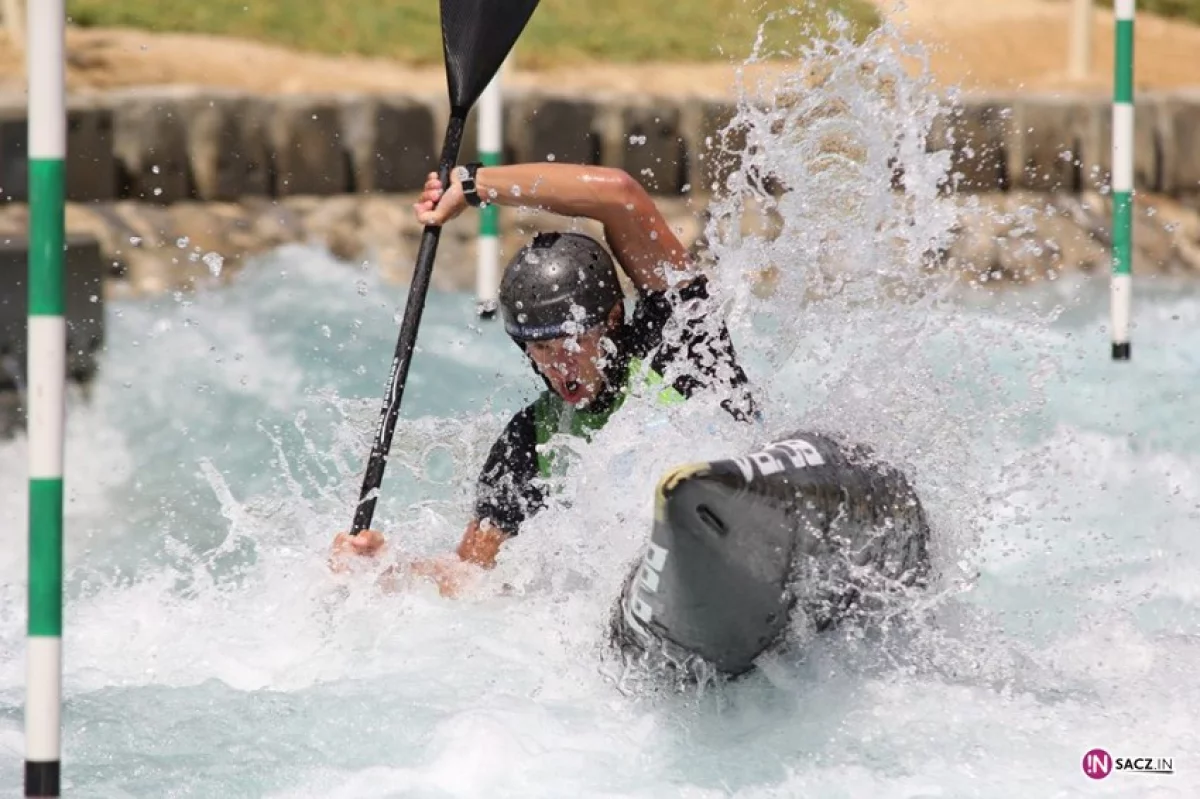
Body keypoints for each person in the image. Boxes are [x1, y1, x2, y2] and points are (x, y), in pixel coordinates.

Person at [330, 161, 757, 595]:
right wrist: (386, 571)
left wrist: (475, 185)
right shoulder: (530, 441)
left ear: (610, 319)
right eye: (541, 349)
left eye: (571, 342)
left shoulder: (677, 341)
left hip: (743, 519)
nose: (558, 364)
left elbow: (619, 195)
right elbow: (469, 575)